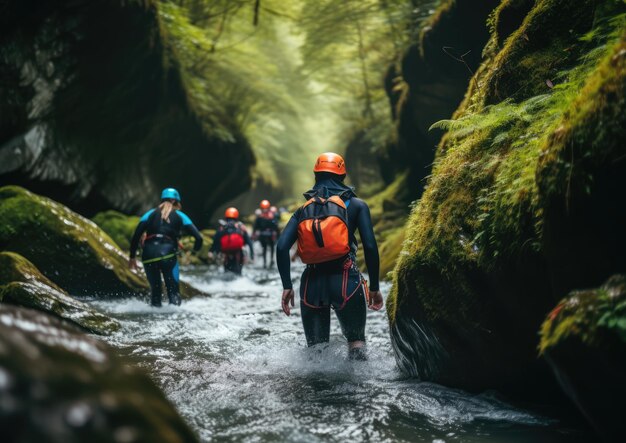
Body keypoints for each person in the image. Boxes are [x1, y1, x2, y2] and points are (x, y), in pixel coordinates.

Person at [276, 152, 384, 360]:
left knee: (316, 354)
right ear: (343, 176)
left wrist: (287, 286)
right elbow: (370, 247)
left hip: (311, 283)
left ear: (316, 176)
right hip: (345, 279)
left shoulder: (302, 210)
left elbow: (282, 247)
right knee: (356, 344)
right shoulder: (357, 205)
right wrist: (375, 288)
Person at [129, 188, 203, 307]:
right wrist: (194, 252)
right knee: (173, 293)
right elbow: (198, 238)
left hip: (148, 255)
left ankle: (153, 321)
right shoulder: (180, 215)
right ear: (174, 200)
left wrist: (132, 257)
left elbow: (136, 237)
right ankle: (173, 323)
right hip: (167, 255)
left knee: (155, 293)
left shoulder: (148, 214)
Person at [210, 207, 254, 275]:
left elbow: (216, 241)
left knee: (226, 272)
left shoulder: (222, 228)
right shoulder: (240, 228)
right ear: (236, 216)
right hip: (238, 254)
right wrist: (252, 254)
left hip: (226, 254)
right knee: (239, 273)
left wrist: (211, 251)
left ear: (226, 217)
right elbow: (249, 242)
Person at [253, 199, 280, 269]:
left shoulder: (259, 216)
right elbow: (276, 226)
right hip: (270, 234)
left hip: (263, 234)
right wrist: (277, 235)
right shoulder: (272, 215)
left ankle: (265, 263)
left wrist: (254, 234)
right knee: (271, 247)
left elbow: (256, 226)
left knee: (264, 248)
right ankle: (271, 260)